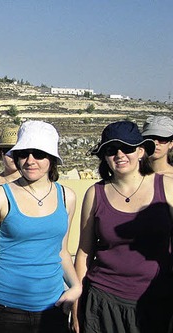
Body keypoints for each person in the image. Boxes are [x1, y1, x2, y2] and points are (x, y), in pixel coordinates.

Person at [0, 120, 81, 333]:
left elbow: (61, 251)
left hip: (53, 308)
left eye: (38, 154)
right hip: (5, 309)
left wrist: (76, 286)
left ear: (52, 159)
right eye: (24, 153)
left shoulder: (67, 197)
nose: (30, 160)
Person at [73, 121, 173, 333]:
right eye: (111, 149)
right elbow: (84, 253)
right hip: (102, 302)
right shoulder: (95, 193)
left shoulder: (167, 187)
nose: (119, 154)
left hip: (156, 302)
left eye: (127, 148)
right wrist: (77, 306)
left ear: (140, 151)